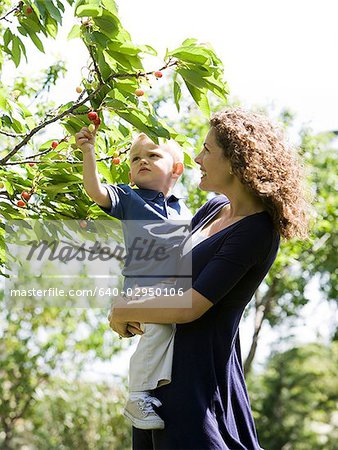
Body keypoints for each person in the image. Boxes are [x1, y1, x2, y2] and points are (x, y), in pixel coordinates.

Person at [108, 107, 309, 450]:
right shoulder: (212, 209)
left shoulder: (257, 231)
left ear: (235, 160)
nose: (198, 158)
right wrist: (135, 308)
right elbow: (171, 276)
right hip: (158, 377)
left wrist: (123, 309)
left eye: (207, 150)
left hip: (197, 383)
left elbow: (191, 306)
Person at [75, 128, 192, 430]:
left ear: (176, 169)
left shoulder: (184, 210)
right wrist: (89, 153)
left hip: (173, 292)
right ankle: (137, 394)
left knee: (171, 336)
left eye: (153, 156)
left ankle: (154, 390)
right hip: (143, 289)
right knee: (158, 331)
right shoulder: (129, 198)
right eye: (135, 158)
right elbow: (95, 191)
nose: (142, 161)